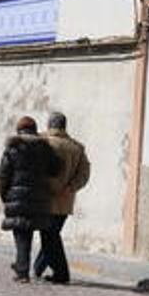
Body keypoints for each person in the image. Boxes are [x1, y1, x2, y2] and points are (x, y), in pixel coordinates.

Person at [0, 116, 58, 283]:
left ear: (19, 130)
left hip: (17, 197)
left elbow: (3, 174)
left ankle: (22, 270)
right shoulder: (44, 148)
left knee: (21, 234)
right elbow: (55, 169)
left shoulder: (13, 148)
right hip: (39, 198)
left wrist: (4, 195)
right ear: (35, 130)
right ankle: (21, 265)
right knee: (30, 232)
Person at [33, 112, 91, 284]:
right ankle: (37, 268)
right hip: (65, 201)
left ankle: (62, 273)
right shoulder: (77, 148)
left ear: (49, 125)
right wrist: (70, 188)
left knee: (50, 236)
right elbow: (84, 175)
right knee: (51, 234)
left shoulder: (42, 143)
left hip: (44, 198)